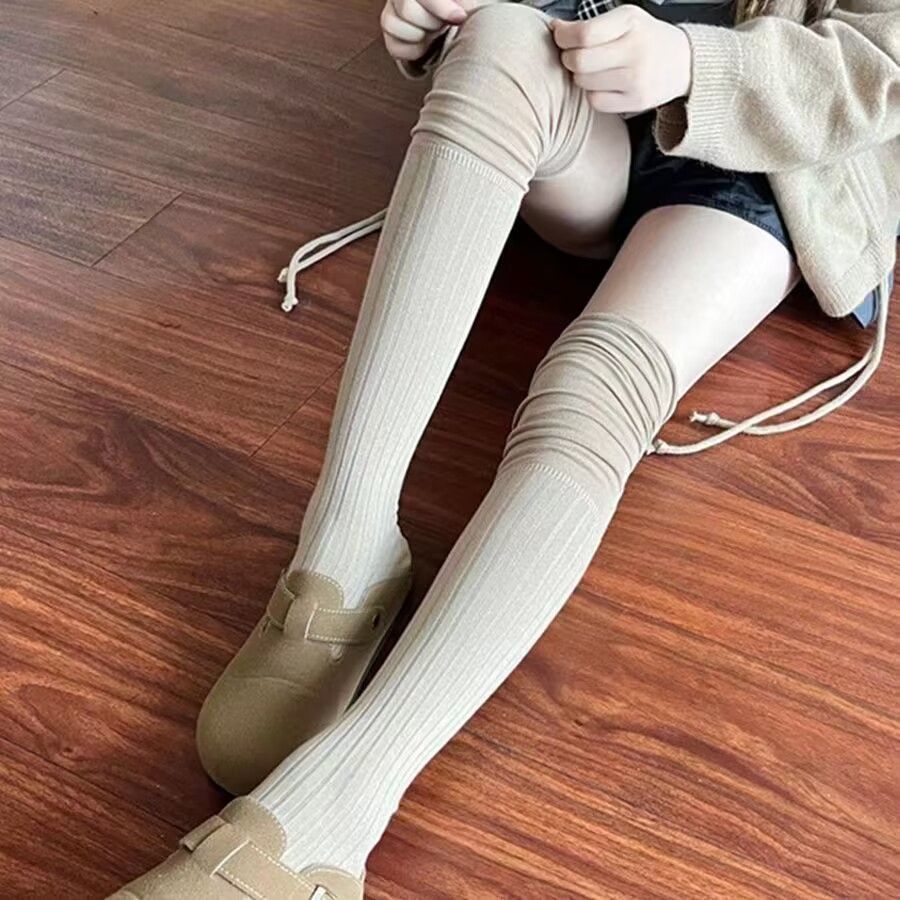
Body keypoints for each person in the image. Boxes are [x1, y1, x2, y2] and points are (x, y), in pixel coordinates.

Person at [112, 0, 897, 896]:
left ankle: (337, 807)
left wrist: (693, 65)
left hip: (778, 170)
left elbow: (884, 61)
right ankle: (346, 556)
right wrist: (435, 17)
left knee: (596, 385)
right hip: (596, 121)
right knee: (497, 43)